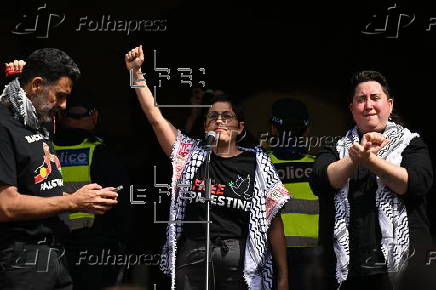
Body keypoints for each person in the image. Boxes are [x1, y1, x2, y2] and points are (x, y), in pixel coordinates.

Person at [124, 45, 290, 290]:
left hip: (239, 257)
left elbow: (274, 220)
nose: (220, 120)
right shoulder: (189, 154)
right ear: (205, 126)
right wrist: (136, 74)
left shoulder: (257, 163)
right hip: (193, 254)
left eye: (227, 116)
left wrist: (283, 276)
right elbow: (156, 118)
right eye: (213, 116)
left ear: (240, 128)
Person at [0, 49, 118, 290]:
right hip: (21, 261)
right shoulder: (4, 126)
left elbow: (41, 193)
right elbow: (6, 205)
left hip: (56, 254)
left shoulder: (39, 123)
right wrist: (73, 202)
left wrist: (88, 200)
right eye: (60, 96)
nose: (64, 106)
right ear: (36, 85)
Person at [309, 70, 433, 290]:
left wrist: (371, 161)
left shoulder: (412, 144)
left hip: (402, 268)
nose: (368, 105)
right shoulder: (335, 149)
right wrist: (355, 158)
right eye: (361, 99)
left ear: (390, 105)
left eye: (375, 98)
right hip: (348, 270)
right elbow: (322, 180)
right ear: (352, 109)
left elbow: (413, 183)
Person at [53, 87, 131, 290]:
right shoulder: (103, 151)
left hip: (51, 247)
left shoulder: (43, 149)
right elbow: (122, 204)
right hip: (94, 248)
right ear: (94, 117)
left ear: (61, 116)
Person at [266, 98, 321, 290]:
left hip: (271, 256)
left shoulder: (261, 165)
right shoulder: (320, 166)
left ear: (274, 129)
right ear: (306, 131)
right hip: (315, 257)